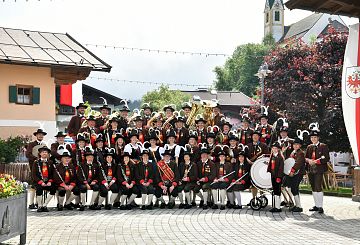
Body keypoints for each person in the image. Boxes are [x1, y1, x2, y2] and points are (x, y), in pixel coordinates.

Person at [305, 124, 329, 214]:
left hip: (319, 169)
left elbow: (326, 158)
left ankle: (320, 206)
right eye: (312, 137)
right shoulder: (309, 147)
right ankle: (316, 205)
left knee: (318, 186)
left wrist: (316, 161)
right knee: (313, 187)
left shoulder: (323, 146)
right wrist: (308, 160)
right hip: (311, 169)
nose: (313, 139)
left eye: (315, 137)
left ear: (318, 138)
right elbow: (305, 157)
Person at [26, 128, 47, 209]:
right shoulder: (31, 144)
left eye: (42, 135)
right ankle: (31, 203)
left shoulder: (44, 145)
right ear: (36, 135)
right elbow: (28, 154)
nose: (40, 136)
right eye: (39, 134)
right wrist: (36, 159)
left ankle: (38, 202)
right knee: (33, 184)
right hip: (33, 167)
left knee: (39, 184)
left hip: (43, 168)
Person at [32, 145, 56, 212]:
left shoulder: (50, 162)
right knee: (39, 189)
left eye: (46, 152)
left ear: (48, 154)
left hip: (47, 182)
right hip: (39, 182)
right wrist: (41, 182)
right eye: (43, 152)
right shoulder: (36, 162)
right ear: (40, 153)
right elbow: (34, 175)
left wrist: (50, 181)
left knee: (53, 188)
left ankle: (45, 205)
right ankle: (39, 206)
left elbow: (52, 174)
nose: (44, 153)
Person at [77, 147, 101, 211]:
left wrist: (95, 181)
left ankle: (91, 204)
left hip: (92, 182)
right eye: (89, 157)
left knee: (96, 187)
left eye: (92, 157)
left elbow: (98, 176)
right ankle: (83, 204)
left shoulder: (96, 165)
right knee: (83, 188)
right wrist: (86, 183)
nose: (90, 158)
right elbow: (79, 176)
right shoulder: (81, 165)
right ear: (86, 158)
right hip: (83, 182)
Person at [287, 134, 306, 212]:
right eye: (294, 144)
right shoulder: (293, 152)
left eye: (297, 144)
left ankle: (299, 206)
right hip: (295, 173)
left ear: (300, 145)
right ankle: (296, 205)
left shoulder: (300, 153)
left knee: (294, 188)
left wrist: (292, 171)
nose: (295, 146)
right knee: (293, 189)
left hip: (298, 173)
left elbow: (298, 163)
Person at [197, 145, 216, 210]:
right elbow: (197, 173)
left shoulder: (212, 164)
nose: (203, 156)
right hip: (200, 181)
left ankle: (205, 203)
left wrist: (205, 179)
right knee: (195, 188)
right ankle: (202, 199)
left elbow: (213, 175)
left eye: (205, 154)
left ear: (208, 155)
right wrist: (198, 180)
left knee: (205, 187)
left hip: (209, 181)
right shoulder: (198, 163)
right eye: (202, 154)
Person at [267, 142, 284, 213]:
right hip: (273, 175)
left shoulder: (280, 157)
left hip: (277, 176)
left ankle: (278, 207)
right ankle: (275, 206)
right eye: (273, 148)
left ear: (278, 149)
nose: (274, 149)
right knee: (275, 190)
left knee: (278, 191)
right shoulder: (272, 156)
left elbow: (281, 168)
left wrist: (279, 177)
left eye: (276, 148)